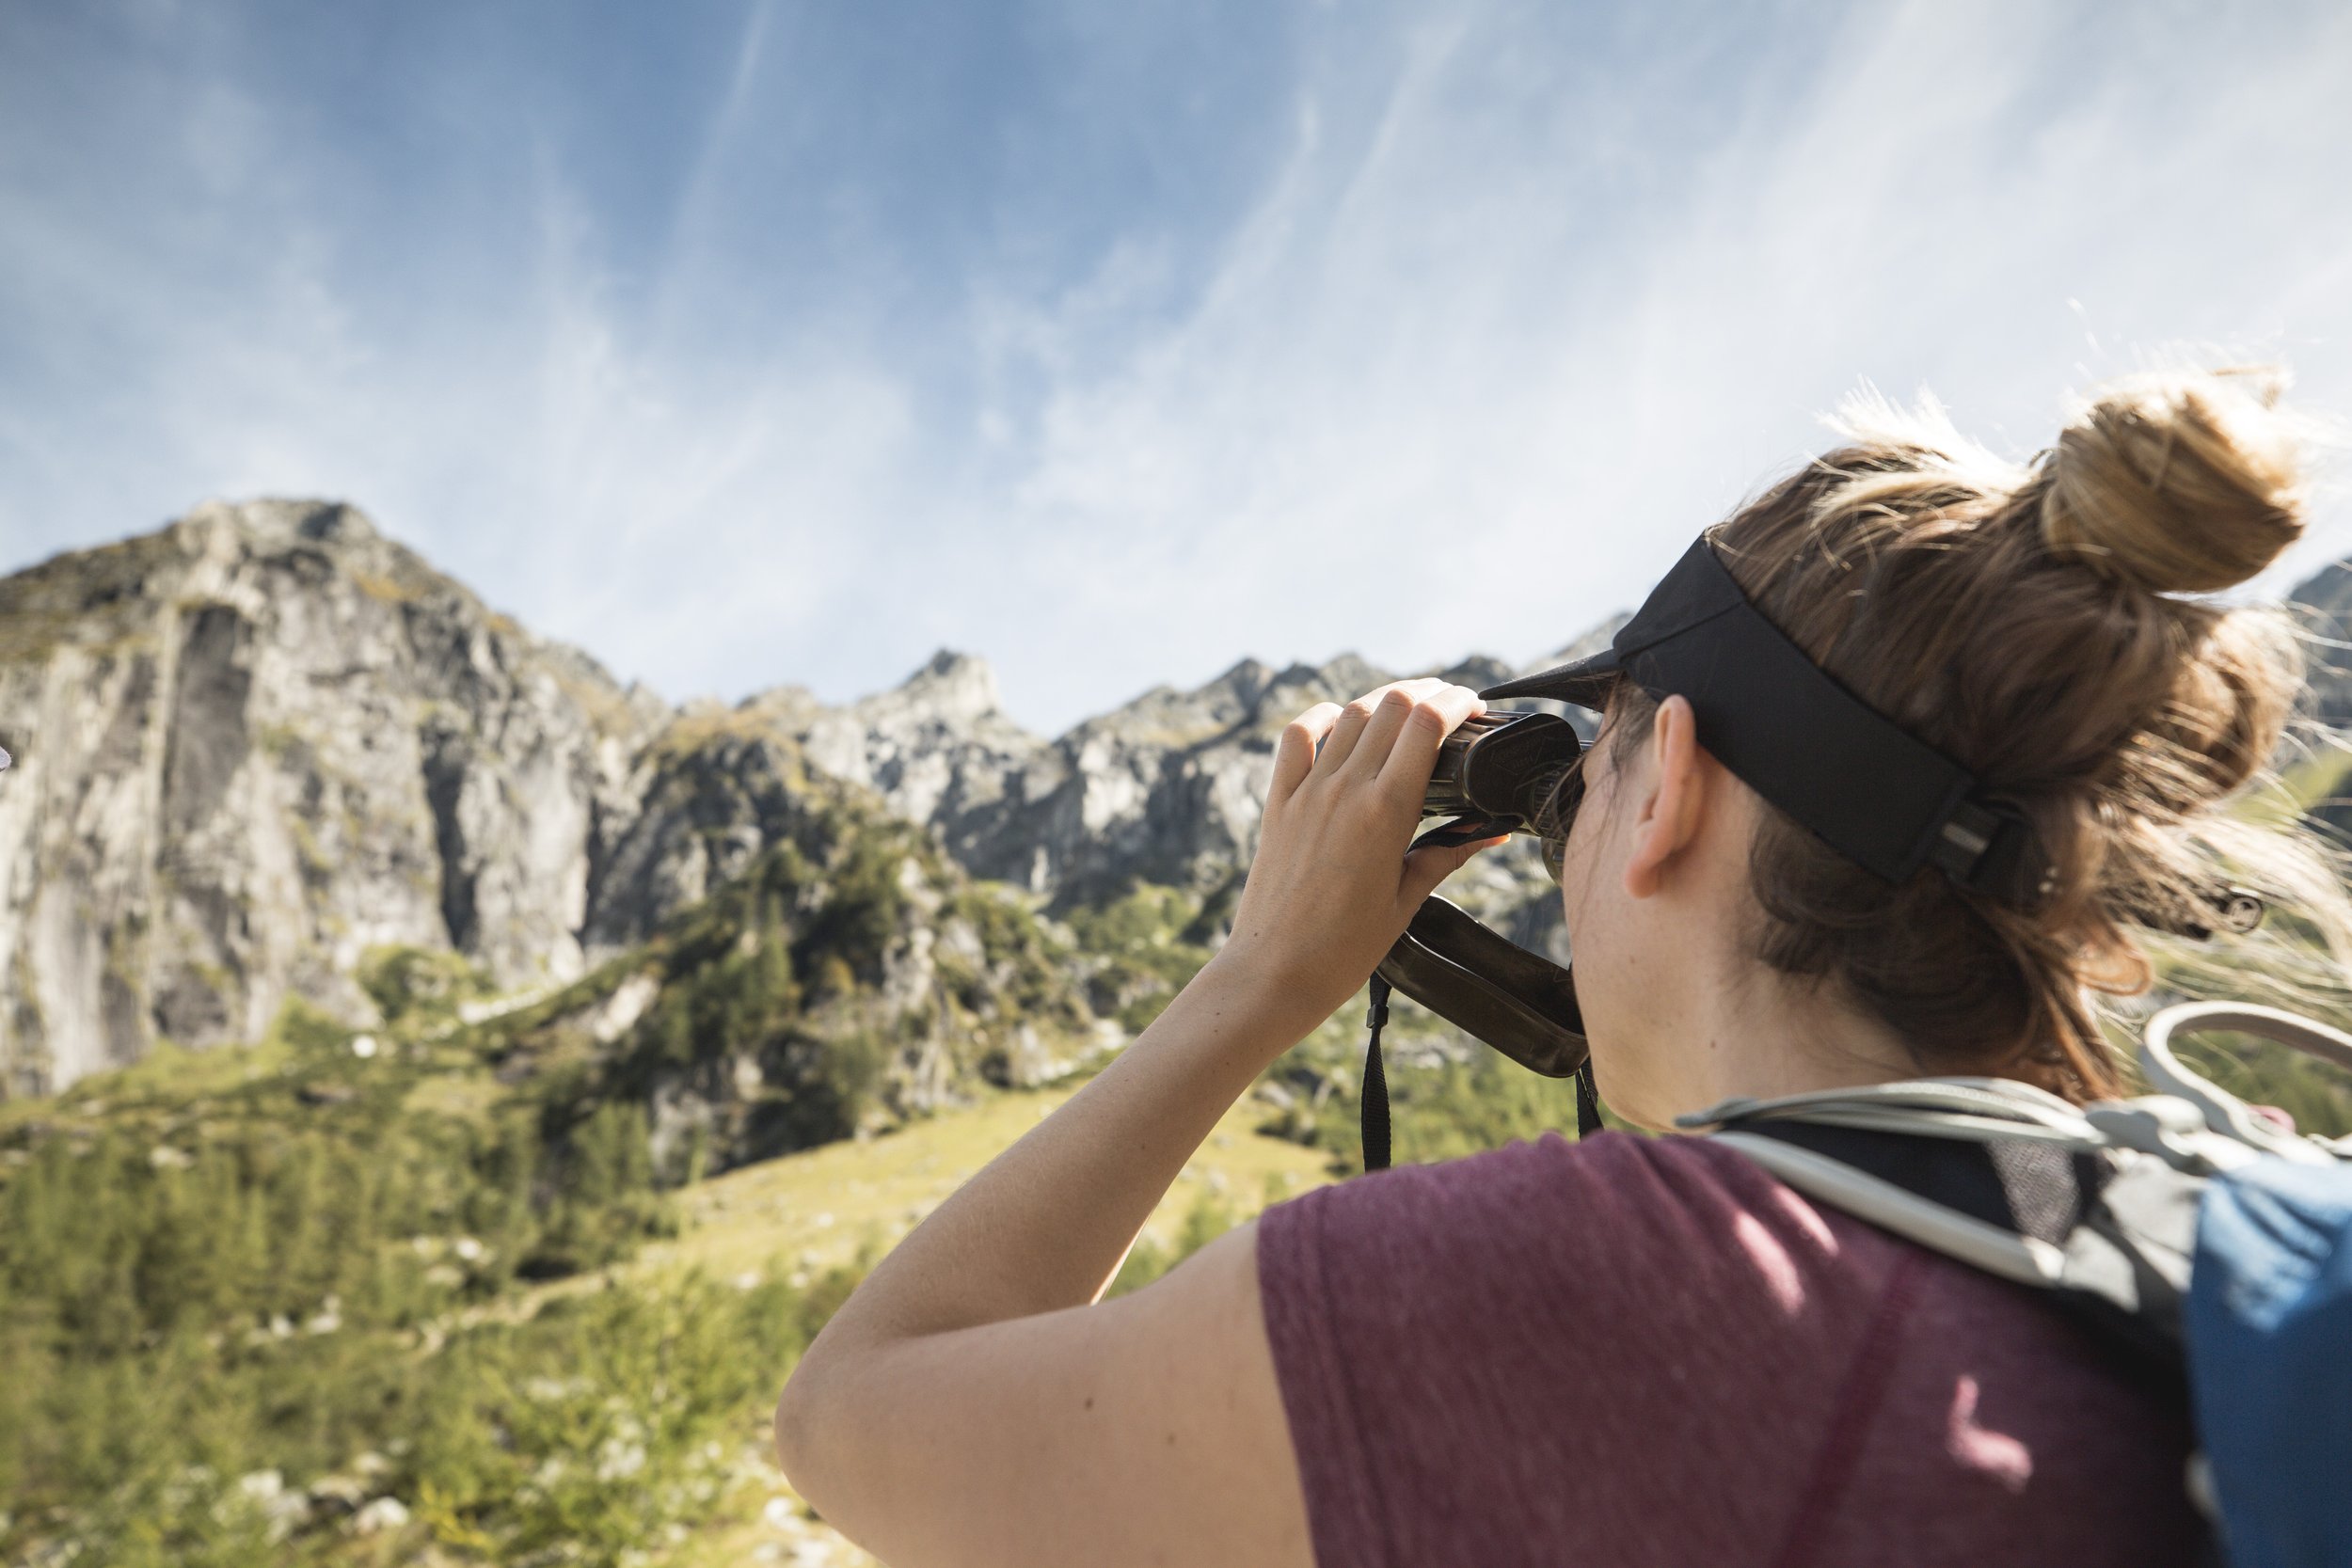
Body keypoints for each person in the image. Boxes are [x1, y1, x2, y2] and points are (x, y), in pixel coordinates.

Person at [772, 365, 2346, 1567]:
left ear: (1662, 788)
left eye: (1579, 769)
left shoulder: (1616, 1295)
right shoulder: (2234, 1215)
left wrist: (1262, 977)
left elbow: (854, 1423)